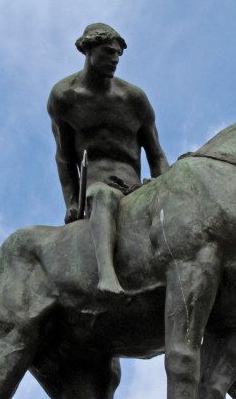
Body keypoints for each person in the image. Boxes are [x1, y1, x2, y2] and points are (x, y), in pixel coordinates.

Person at [47, 23, 170, 294]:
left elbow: (156, 154)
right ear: (88, 50)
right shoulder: (64, 97)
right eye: (108, 52)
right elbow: (64, 157)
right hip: (96, 184)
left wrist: (167, 186)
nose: (115, 60)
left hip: (135, 184)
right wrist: (71, 202)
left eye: (118, 54)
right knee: (103, 196)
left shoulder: (134, 98)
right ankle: (107, 277)